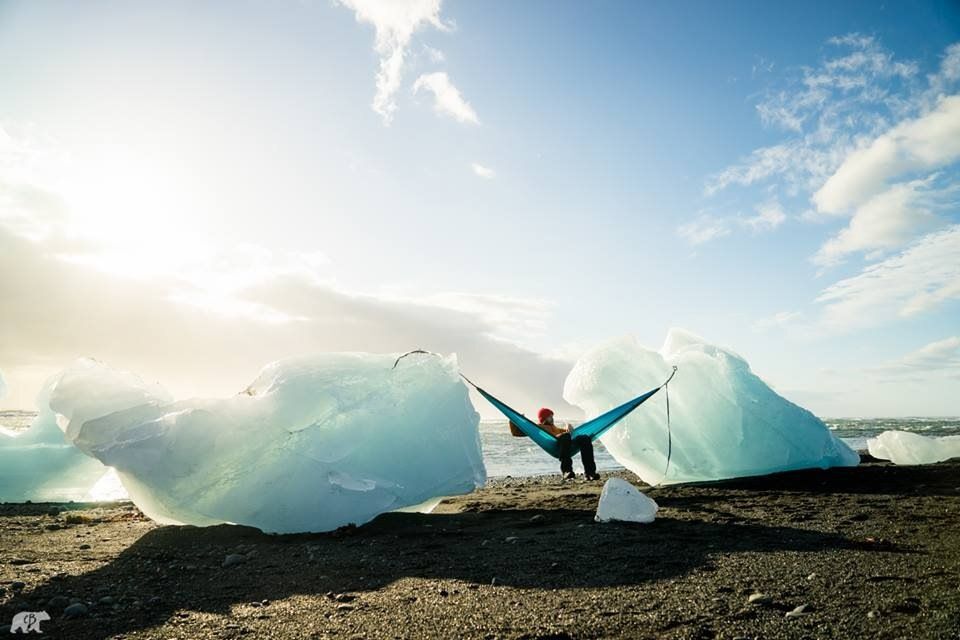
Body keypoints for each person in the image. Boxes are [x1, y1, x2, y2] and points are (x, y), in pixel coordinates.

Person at [512, 408, 599, 480]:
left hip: (566, 444)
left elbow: (567, 432)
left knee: (585, 438)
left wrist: (569, 427)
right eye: (549, 417)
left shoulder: (554, 428)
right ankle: (566, 471)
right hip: (557, 446)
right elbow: (517, 433)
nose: (552, 418)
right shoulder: (539, 428)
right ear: (544, 418)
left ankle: (590, 473)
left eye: (552, 416)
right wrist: (515, 420)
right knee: (565, 436)